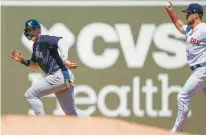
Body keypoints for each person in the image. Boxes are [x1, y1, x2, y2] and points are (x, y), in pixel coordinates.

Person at [10, 19, 89, 117]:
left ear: (39, 30)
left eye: (34, 29)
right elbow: (35, 65)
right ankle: (92, 125)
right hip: (65, 76)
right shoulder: (35, 46)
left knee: (30, 94)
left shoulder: (44, 39)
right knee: (71, 111)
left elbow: (61, 41)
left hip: (59, 75)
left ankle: (43, 123)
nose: (31, 32)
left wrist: (65, 58)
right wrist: (22, 60)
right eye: (29, 30)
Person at [165, 2, 206, 132]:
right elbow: (180, 26)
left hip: (202, 70)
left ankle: (177, 130)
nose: (186, 15)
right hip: (197, 70)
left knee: (182, 96)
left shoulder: (204, 29)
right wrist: (170, 12)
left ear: (196, 15)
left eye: (188, 13)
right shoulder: (190, 29)